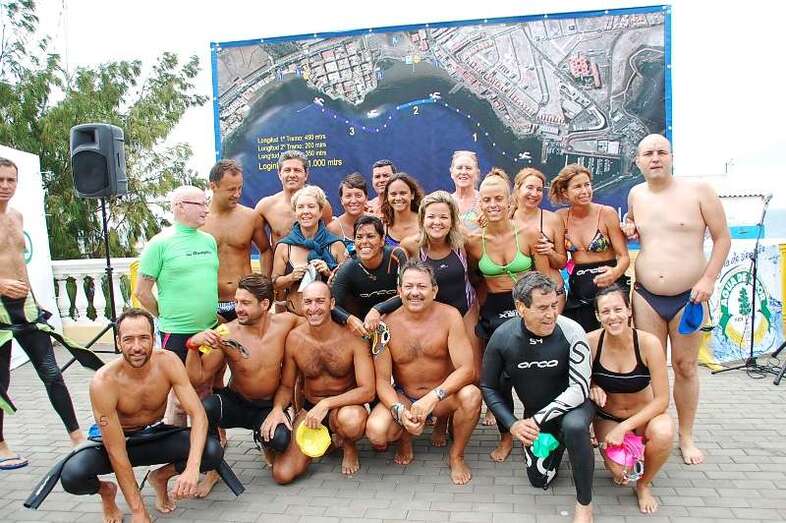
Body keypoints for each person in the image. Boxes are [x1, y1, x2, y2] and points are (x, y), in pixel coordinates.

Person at [58, 308, 224, 522]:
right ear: (118, 342)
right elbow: (116, 452)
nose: (137, 347)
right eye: (128, 339)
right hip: (119, 442)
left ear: (153, 339)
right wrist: (138, 511)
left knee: (212, 451)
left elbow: (198, 414)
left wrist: (192, 468)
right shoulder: (104, 382)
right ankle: (106, 492)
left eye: (143, 338)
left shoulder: (168, 361)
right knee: (73, 475)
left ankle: (160, 477)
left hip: (154, 436)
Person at [625, 133, 730, 465]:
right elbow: (639, 230)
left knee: (685, 367)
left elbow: (722, 238)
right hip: (646, 296)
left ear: (671, 157)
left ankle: (685, 435)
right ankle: (652, 432)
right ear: (638, 161)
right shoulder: (636, 194)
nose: (655, 158)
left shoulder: (699, 191)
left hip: (689, 297)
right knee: (648, 369)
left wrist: (708, 279)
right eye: (648, 154)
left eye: (661, 152)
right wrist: (630, 228)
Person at [481, 272, 594, 523]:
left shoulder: (572, 331)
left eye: (554, 305)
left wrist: (536, 420)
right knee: (539, 479)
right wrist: (513, 425)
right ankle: (559, 443)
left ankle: (584, 504)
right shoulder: (503, 337)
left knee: (574, 427)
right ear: (521, 307)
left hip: (572, 408)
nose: (551, 314)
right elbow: (488, 386)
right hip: (536, 418)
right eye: (542, 308)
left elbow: (580, 389)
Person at [0, 157, 84, 470]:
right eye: (0, 180)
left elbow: (19, 264)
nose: (5, 186)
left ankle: (77, 438)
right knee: (1, 382)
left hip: (25, 306)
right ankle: (1, 445)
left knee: (52, 373)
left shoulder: (16, 216)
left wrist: (35, 303)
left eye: (10, 180)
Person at [185, 274, 303, 496]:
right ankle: (213, 470)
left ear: (265, 304)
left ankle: (263, 440)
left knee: (280, 440)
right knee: (205, 408)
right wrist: (192, 346)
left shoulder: (286, 322)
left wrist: (280, 409)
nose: (238, 308)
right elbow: (197, 378)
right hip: (236, 402)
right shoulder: (226, 333)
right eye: (236, 302)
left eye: (245, 303)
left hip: (267, 406)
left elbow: (318, 320)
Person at [365, 260, 481, 485]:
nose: (415, 292)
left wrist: (433, 397)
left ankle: (456, 455)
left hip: (441, 397)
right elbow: (382, 381)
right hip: (406, 396)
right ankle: (404, 437)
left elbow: (467, 369)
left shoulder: (450, 316)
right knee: (376, 431)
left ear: (434, 290)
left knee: (472, 396)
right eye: (408, 286)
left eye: (422, 286)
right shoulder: (384, 325)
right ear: (399, 291)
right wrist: (399, 410)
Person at [465, 168, 549, 461]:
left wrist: (549, 318)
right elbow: (474, 280)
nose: (493, 205)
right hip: (494, 314)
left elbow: (546, 281)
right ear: (480, 203)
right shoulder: (473, 242)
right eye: (487, 199)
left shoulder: (529, 234)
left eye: (498, 198)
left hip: (527, 311)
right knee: (499, 380)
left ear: (509, 200)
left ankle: (537, 431)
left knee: (536, 378)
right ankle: (506, 437)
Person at [265, 281, 375, 482]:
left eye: (320, 301)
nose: (313, 308)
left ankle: (349, 445)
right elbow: (287, 386)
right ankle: (329, 442)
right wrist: (277, 409)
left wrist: (326, 404)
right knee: (282, 474)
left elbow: (368, 391)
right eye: (308, 302)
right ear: (301, 305)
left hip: (344, 407)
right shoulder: (294, 339)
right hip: (310, 409)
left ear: (332, 303)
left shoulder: (353, 338)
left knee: (352, 421)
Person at [134, 185, 219, 426]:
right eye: (200, 204)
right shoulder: (159, 244)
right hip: (177, 333)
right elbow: (142, 292)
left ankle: (207, 442)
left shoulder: (209, 241)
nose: (206, 209)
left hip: (210, 328)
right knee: (180, 396)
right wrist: (165, 315)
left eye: (206, 203)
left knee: (206, 388)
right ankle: (177, 444)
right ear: (180, 207)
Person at [588, 284, 673, 514]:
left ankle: (644, 484)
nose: (613, 317)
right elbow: (578, 381)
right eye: (605, 311)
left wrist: (624, 428)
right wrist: (592, 386)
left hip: (644, 417)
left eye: (618, 309)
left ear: (629, 310)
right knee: (619, 472)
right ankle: (632, 458)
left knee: (664, 432)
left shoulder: (648, 343)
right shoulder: (590, 342)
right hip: (608, 417)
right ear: (597, 316)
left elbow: (662, 400)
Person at [551, 164, 630, 332]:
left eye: (587, 185)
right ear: (565, 192)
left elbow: (624, 257)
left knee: (614, 337)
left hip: (610, 287)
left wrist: (615, 273)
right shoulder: (560, 217)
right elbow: (561, 261)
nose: (585, 191)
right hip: (579, 289)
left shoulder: (607, 213)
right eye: (578, 187)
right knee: (583, 339)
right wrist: (548, 251)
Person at [201, 159, 272, 322]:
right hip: (211, 302)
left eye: (240, 188)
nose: (237, 194)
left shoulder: (250, 217)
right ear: (213, 186)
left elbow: (266, 250)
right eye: (231, 189)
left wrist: (264, 286)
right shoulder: (199, 221)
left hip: (245, 300)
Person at [272, 185, 348, 315]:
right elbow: (275, 284)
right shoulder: (284, 246)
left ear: (320, 211)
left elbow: (347, 285)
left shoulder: (336, 244)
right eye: (300, 207)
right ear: (295, 212)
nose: (305, 211)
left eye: (311, 206)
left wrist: (329, 273)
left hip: (329, 319)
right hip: (295, 317)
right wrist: (291, 277)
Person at [331, 215, 408, 337]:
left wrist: (378, 309)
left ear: (382, 240)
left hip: (399, 323)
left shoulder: (396, 255)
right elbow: (332, 305)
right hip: (364, 329)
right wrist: (349, 319)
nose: (364, 242)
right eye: (359, 237)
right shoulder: (348, 267)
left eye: (370, 236)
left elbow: (406, 294)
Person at [510, 167, 568, 310]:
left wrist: (550, 252)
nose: (534, 194)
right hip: (519, 296)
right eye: (529, 188)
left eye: (539, 189)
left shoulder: (553, 220)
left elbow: (562, 263)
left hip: (553, 293)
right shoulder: (506, 219)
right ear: (517, 189)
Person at [255, 150, 332, 245]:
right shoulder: (265, 207)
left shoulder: (322, 204)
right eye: (287, 170)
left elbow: (330, 240)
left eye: (297, 170)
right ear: (279, 174)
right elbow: (264, 249)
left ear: (306, 174)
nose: (292, 175)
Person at [326, 172, 369, 257]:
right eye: (348, 196)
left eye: (358, 195)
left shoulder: (377, 222)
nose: (353, 200)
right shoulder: (332, 229)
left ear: (366, 198)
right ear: (341, 200)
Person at [381, 173, 423, 246]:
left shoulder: (424, 223)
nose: (398, 198)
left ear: (412, 195)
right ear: (387, 197)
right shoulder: (382, 226)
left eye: (403, 193)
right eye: (393, 194)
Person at [448, 150, 482, 231]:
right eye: (459, 168)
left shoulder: (484, 201)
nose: (463, 172)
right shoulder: (445, 201)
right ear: (452, 173)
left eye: (468, 168)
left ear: (477, 173)